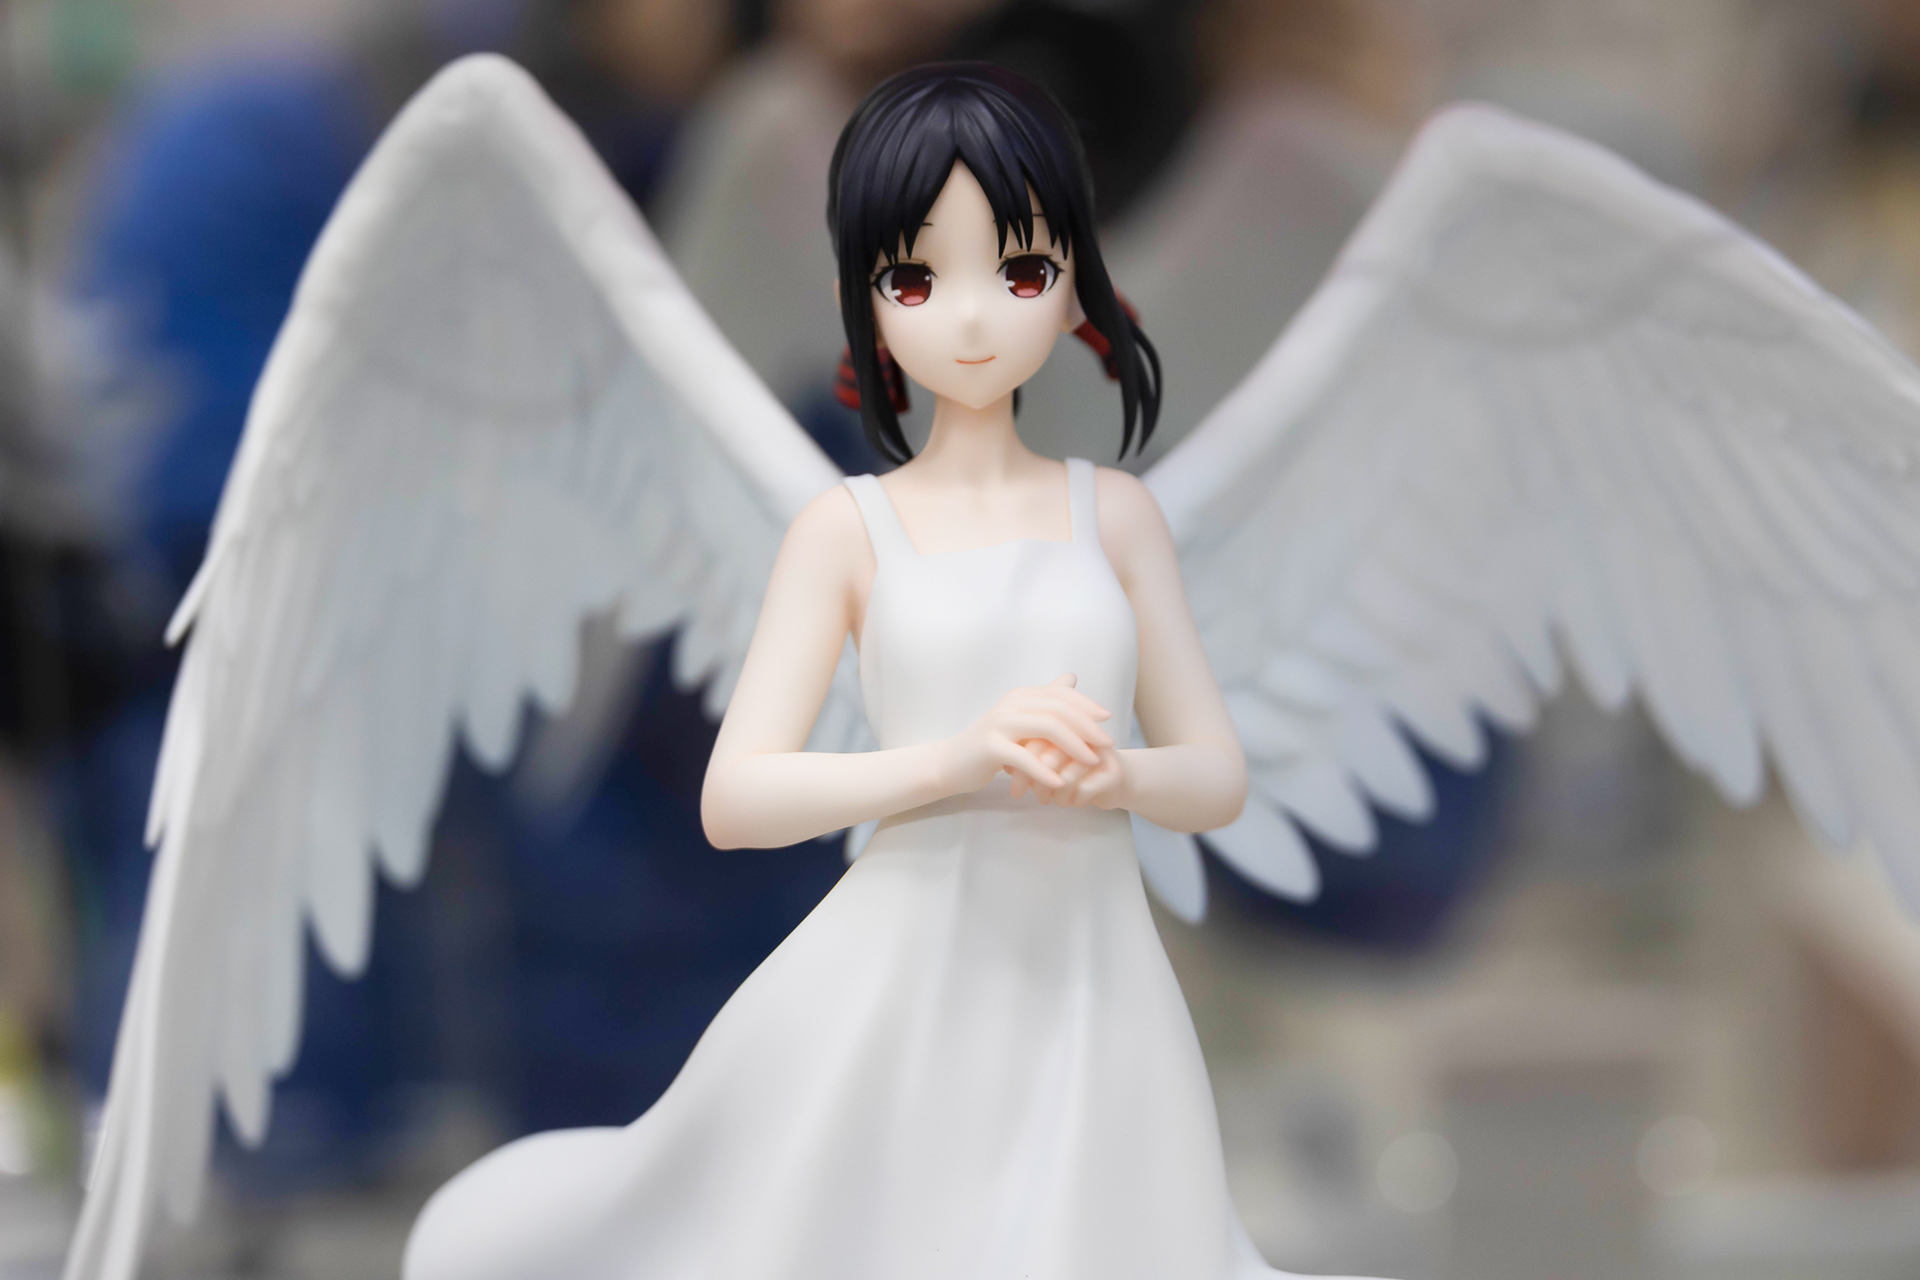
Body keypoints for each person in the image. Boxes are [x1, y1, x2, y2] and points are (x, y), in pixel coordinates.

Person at [402, 63, 1380, 1280]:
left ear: (1074, 280)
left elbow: (1216, 774)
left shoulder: (1119, 518)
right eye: (917, 280)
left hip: (1095, 976)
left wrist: (1118, 772)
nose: (971, 319)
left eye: (1018, 271)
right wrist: (957, 759)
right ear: (861, 300)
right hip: (901, 967)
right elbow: (738, 796)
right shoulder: (847, 530)